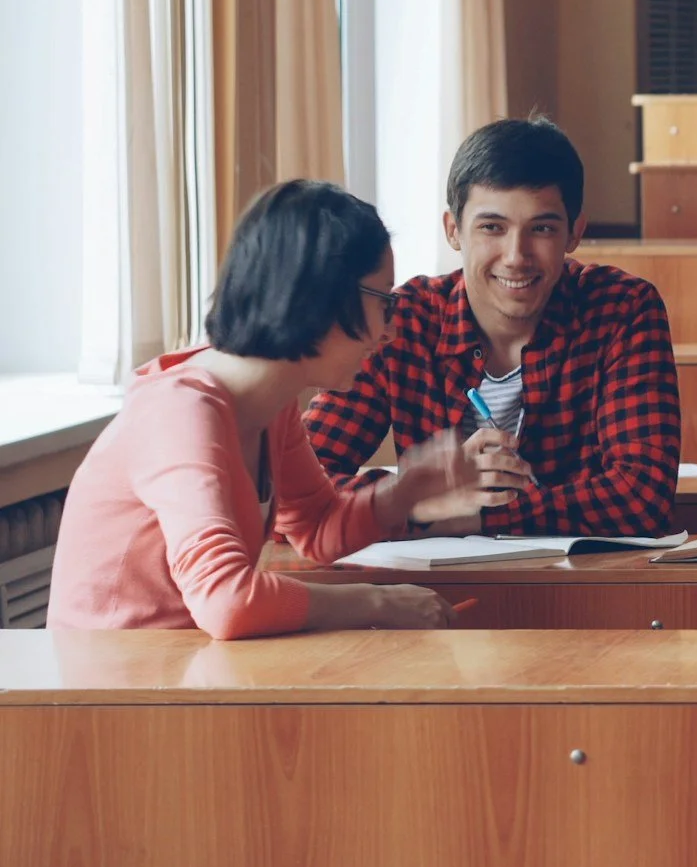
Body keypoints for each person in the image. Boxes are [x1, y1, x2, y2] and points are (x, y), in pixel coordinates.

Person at [50, 181, 504, 637]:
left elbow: (319, 530)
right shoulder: (179, 412)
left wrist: (407, 490)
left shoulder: (271, 403)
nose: (390, 331)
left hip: (182, 670)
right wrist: (377, 601)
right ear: (321, 296)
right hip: (110, 691)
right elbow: (226, 601)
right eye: (385, 303)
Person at [304, 117, 681, 537]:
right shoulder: (406, 320)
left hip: (585, 589)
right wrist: (421, 496)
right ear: (454, 231)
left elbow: (643, 497)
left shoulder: (623, 310)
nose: (516, 256)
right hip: (429, 588)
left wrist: (473, 517)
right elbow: (299, 489)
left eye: (541, 229)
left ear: (575, 233)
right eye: (492, 228)